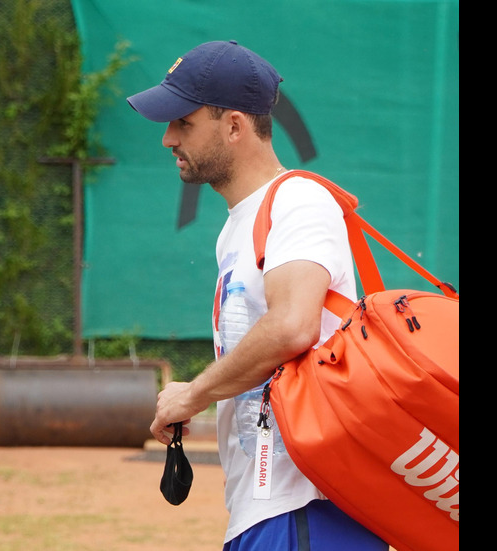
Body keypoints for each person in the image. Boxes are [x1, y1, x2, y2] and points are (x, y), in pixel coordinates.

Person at [127, 41, 386, 550]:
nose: (167, 138)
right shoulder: (238, 227)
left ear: (235, 126)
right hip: (270, 511)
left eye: (183, 121)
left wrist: (193, 395)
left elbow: (293, 325)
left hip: (309, 507)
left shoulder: (298, 201)